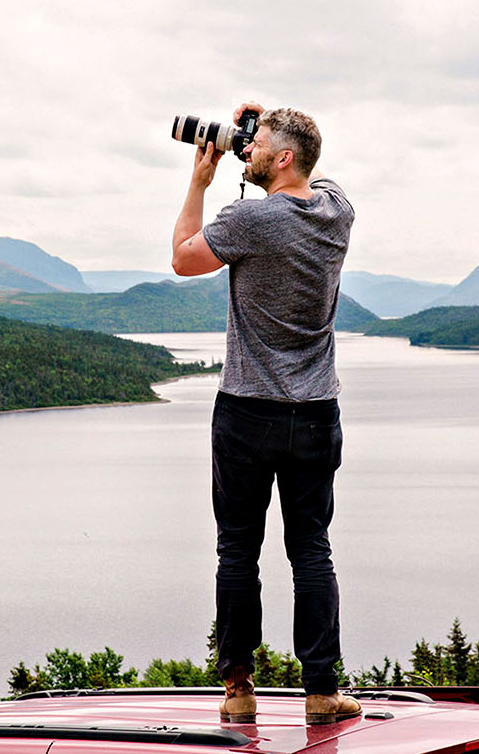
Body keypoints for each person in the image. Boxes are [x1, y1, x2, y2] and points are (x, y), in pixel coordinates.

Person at [170, 101, 360, 725]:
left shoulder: (249, 219)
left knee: (237, 551)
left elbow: (183, 257)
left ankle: (239, 690)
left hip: (247, 413)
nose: (244, 149)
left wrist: (200, 181)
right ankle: (321, 691)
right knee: (311, 550)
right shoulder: (338, 212)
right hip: (316, 413)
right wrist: (266, 127)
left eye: (256, 145)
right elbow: (312, 170)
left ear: (281, 158)